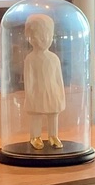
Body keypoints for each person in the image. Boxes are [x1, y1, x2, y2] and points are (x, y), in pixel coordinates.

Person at [21, 11, 66, 149]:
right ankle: (35, 136)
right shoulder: (30, 59)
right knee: (36, 114)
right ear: (30, 38)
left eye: (48, 36)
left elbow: (59, 78)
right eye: (39, 36)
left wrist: (61, 93)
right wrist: (29, 95)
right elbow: (28, 79)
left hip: (52, 91)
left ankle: (53, 135)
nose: (44, 40)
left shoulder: (54, 58)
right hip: (37, 92)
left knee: (53, 113)